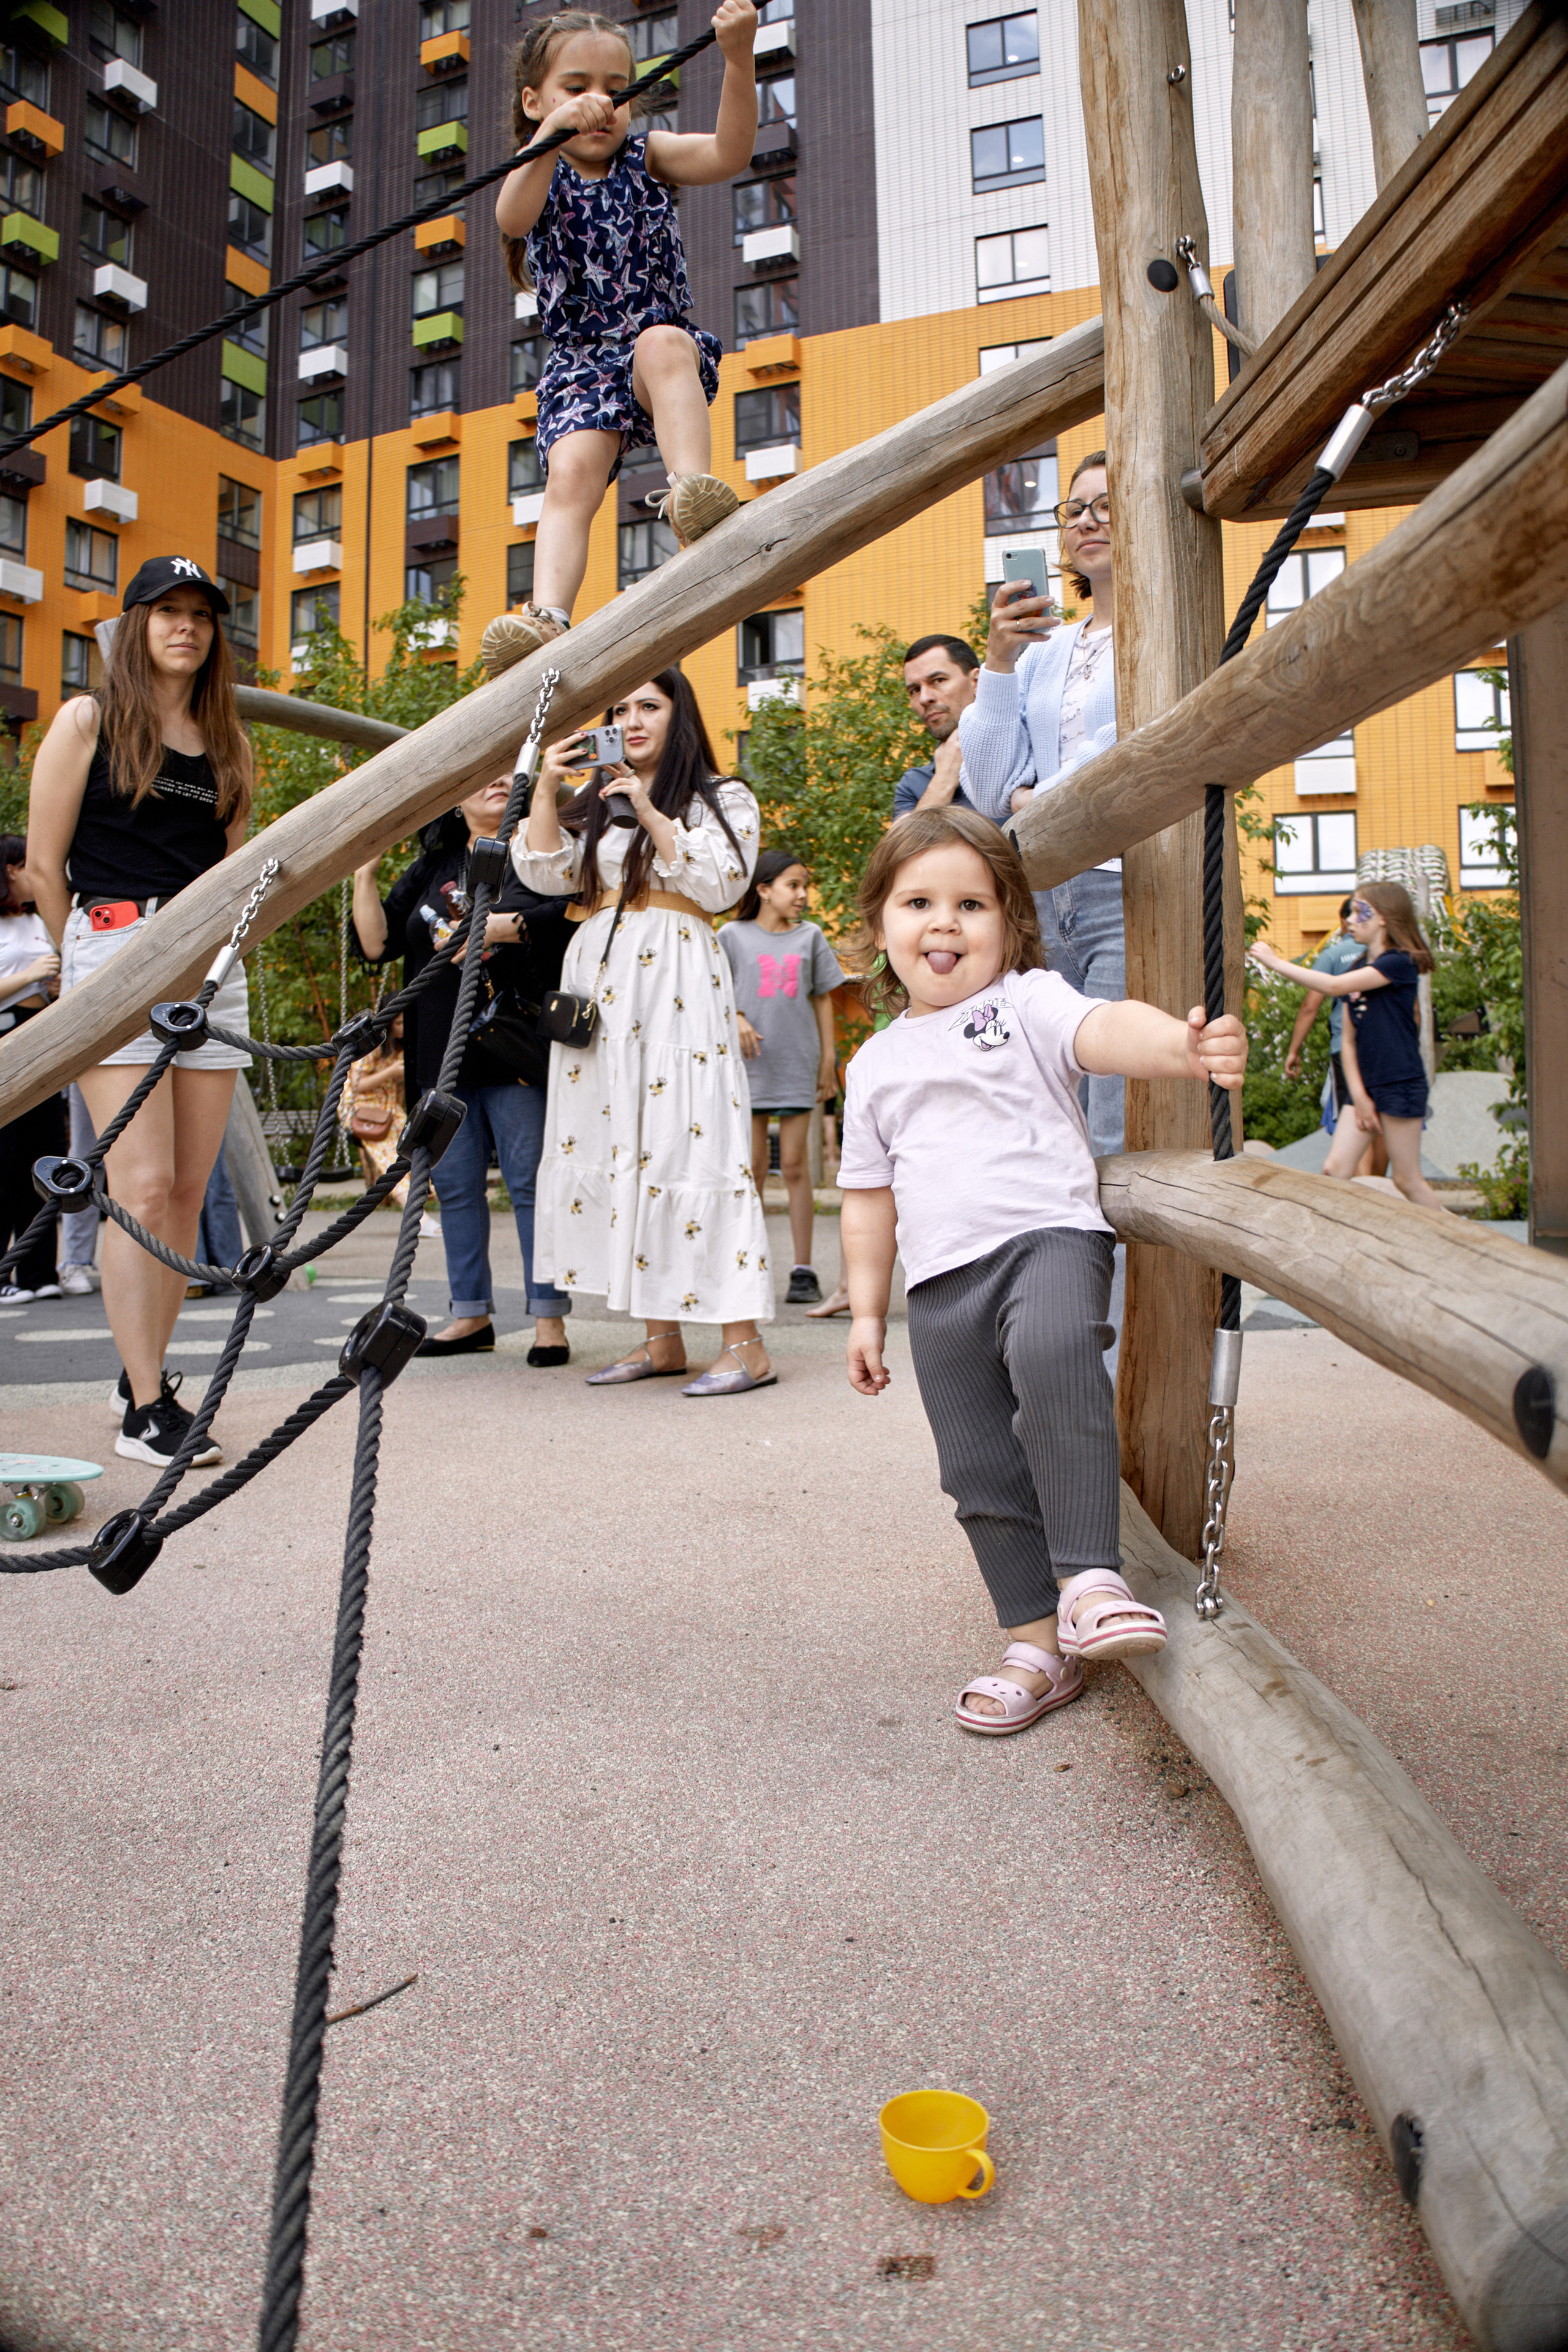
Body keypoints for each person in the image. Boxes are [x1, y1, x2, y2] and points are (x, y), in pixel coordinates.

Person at [837, 807, 1248, 1736]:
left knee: (1059, 1356)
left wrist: (1181, 1050)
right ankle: (1034, 1645)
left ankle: (1091, 1579)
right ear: (880, 924)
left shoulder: (1024, 1001)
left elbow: (1103, 1031)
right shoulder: (873, 1066)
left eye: (971, 904)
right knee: (977, 1462)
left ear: (1011, 923)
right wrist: (867, 1314)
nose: (944, 923)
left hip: (1048, 1239)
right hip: (940, 1283)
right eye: (919, 902)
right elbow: (868, 1199)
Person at [26, 557, 252, 1468]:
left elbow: (238, 870)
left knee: (189, 1195)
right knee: (143, 1188)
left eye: (201, 614)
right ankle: (145, 1410)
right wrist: (85, 969)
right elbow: (45, 867)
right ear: (136, 624)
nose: (186, 628)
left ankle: (144, 1379)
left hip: (209, 970)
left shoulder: (228, 741)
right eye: (168, 612)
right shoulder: (89, 720)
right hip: (113, 951)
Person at [513, 668, 775, 1392]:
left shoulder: (723, 797)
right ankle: (660, 1339)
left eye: (648, 706)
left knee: (690, 1142)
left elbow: (723, 885)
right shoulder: (592, 800)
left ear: (678, 715)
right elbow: (544, 874)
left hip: (678, 983)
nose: (631, 720)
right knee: (617, 1142)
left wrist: (649, 808)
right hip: (601, 983)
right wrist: (546, 789)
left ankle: (745, 1343)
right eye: (619, 708)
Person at [480, 2, 758, 676]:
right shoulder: (540, 169)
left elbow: (729, 152)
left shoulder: (647, 155)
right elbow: (512, 216)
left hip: (651, 347)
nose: (598, 104)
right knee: (570, 473)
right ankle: (547, 615)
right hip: (581, 363)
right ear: (535, 99)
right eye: (576, 89)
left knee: (663, 345)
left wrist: (738, 58)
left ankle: (693, 495)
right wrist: (549, 135)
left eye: (615, 87)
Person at [352, 774, 576, 1363]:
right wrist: (364, 873)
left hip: (513, 1047)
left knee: (529, 1183)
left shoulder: (536, 848)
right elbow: (377, 945)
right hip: (439, 1049)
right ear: (454, 797)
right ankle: (470, 1315)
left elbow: (572, 913)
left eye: (507, 772)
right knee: (454, 1187)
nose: (496, 782)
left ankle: (549, 1320)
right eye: (480, 775)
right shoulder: (434, 864)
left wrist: (511, 930)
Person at [957, 451, 1121, 1158]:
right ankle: (1065, 1270)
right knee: (1051, 1112)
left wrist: (1036, 796)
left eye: (1106, 505)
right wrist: (995, 661)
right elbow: (990, 784)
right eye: (1074, 509)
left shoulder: (1165, 625)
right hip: (1045, 890)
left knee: (1114, 1114)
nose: (1087, 520)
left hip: (1127, 884)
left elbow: (1122, 755)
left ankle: (1124, 1274)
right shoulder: (1043, 651)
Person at [1250, 883, 1446, 1209]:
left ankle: (1452, 1242)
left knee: (1406, 1181)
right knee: (1334, 1170)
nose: (1350, 919)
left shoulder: (1399, 963)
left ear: (1383, 918)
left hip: (1400, 1084)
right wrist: (1360, 1096)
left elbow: (1332, 985)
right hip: (1365, 1088)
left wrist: (1274, 962)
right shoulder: (1358, 967)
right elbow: (1350, 1043)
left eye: (1360, 911)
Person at [720, 848, 844, 1303]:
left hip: (796, 1063)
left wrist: (828, 1061)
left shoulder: (810, 936)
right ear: (764, 890)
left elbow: (823, 998)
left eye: (805, 885)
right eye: (793, 885)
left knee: (794, 1167)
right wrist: (734, 1015)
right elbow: (711, 991)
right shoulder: (731, 936)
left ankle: (803, 1270)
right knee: (751, 1169)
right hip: (747, 1067)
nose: (803, 895)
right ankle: (746, 1268)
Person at [0, 835, 65, 1303]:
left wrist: (55, 983)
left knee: (43, 1155)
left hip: (41, 1026)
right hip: (4, 1036)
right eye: (25, 866)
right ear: (8, 870)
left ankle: (39, 1272)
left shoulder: (40, 919)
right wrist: (29, 974)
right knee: (3, 1159)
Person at [894, 636, 980, 818]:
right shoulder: (913, 785)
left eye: (938, 680)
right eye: (915, 690)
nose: (925, 699)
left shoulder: (1026, 756)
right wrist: (944, 780)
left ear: (976, 682)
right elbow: (907, 847)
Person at [336, 1012, 412, 1208]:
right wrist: (392, 1072)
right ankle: (419, 1217)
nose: (403, 1027)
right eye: (398, 1023)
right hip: (364, 1109)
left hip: (389, 1109)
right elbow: (357, 1084)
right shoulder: (375, 1047)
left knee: (413, 1149)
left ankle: (422, 1199)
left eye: (406, 1022)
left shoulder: (403, 1047)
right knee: (390, 1157)